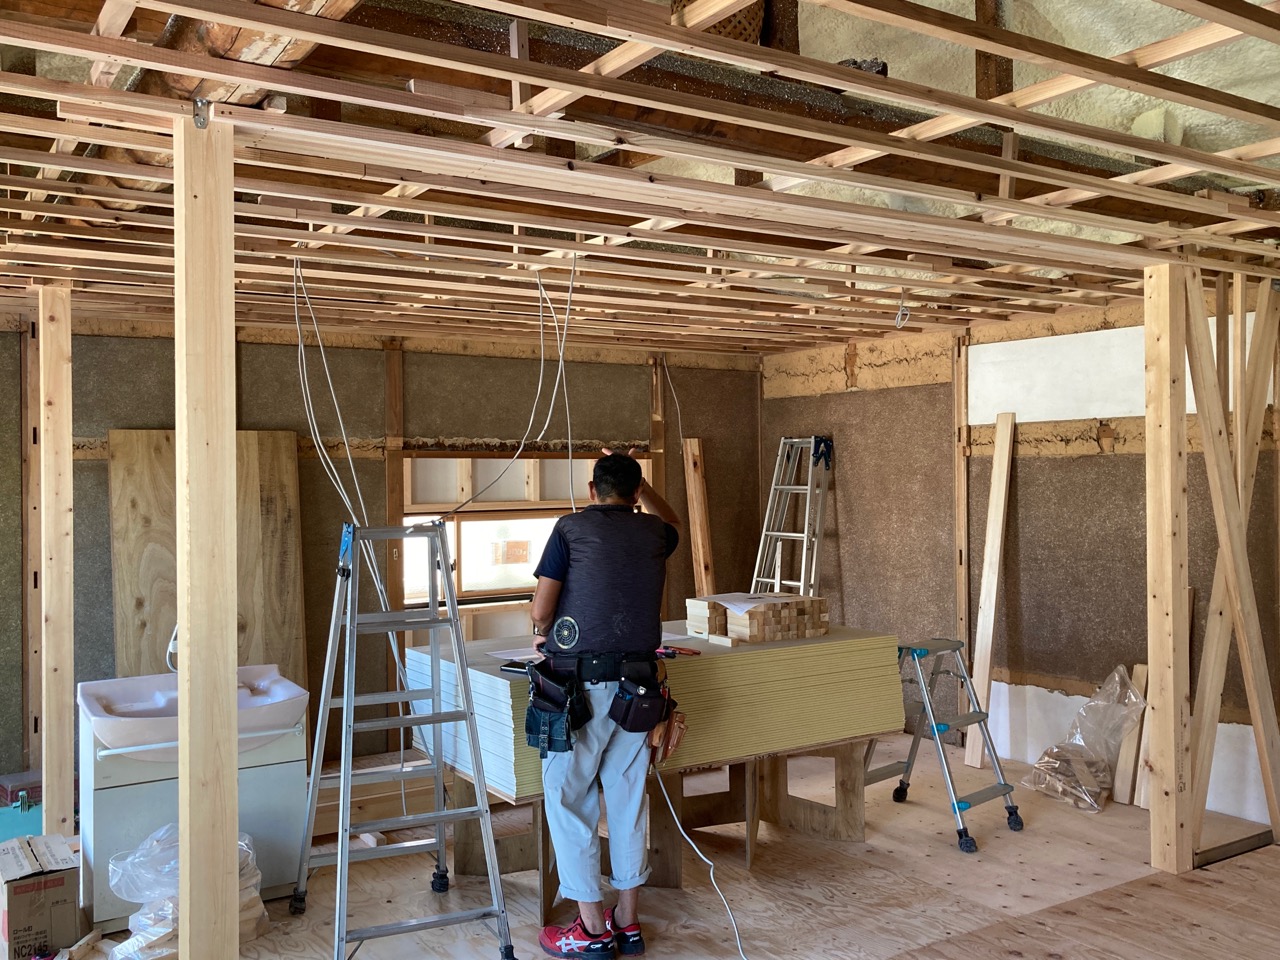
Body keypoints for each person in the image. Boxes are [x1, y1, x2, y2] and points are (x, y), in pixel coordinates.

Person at [530, 449, 681, 958]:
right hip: (640, 688)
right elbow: (673, 521)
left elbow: (542, 611)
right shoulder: (654, 531)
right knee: (627, 799)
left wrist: (541, 628)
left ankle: (592, 930)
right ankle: (627, 922)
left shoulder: (570, 528)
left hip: (582, 688)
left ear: (592, 490)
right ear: (637, 493)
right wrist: (645, 486)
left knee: (569, 799)